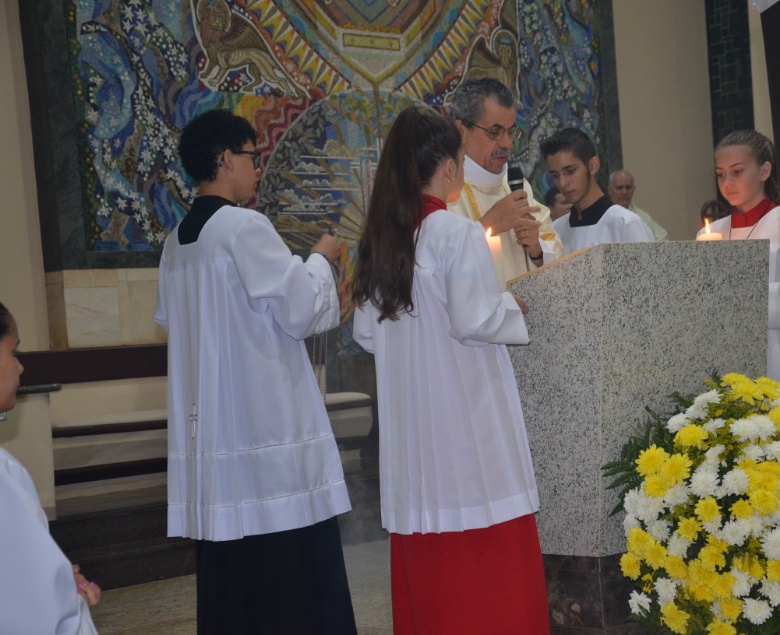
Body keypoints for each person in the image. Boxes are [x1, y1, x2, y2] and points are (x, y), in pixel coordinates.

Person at [154, 110, 357, 634]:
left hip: (217, 441)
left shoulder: (176, 244)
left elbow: (172, 323)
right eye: (252, 157)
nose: (257, 169)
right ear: (225, 160)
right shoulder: (245, 228)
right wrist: (320, 259)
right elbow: (300, 310)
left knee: (233, 577)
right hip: (266, 431)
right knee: (291, 571)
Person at [352, 106, 548, 634]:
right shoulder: (452, 233)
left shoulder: (384, 241)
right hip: (466, 422)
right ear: (450, 166)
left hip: (414, 434)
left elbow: (367, 333)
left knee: (430, 559)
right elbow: (475, 317)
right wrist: (514, 309)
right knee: (487, 560)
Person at [0, 301, 102, 634]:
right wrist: (71, 596)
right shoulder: (4, 476)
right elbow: (38, 614)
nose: (20, 368)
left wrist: (55, 575)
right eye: (13, 352)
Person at [699, 129, 780, 393]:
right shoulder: (710, 233)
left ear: (764, 171)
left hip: (777, 349)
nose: (727, 181)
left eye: (737, 171)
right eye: (720, 174)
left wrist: (742, 294)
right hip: (726, 352)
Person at [447, 77, 563, 279]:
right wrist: (488, 224)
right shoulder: (443, 186)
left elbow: (555, 249)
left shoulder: (516, 185)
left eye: (511, 132)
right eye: (495, 132)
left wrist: (537, 249)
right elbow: (437, 262)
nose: (507, 144)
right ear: (461, 130)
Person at [541, 128, 655, 253]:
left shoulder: (625, 224)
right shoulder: (556, 231)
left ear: (593, 166)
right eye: (555, 175)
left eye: (570, 171)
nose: (562, 183)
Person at [608, 169, 669, 241]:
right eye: (619, 188)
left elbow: (662, 239)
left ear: (633, 189)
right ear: (609, 190)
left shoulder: (643, 217)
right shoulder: (602, 216)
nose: (624, 192)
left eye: (628, 187)